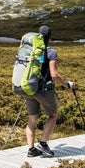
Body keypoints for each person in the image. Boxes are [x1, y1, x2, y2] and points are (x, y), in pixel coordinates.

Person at [24, 25, 75, 157]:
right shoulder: (52, 52)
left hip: (29, 88)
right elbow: (54, 75)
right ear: (50, 37)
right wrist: (66, 85)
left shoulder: (32, 50)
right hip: (44, 89)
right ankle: (43, 143)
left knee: (32, 119)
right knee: (53, 115)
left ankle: (31, 149)